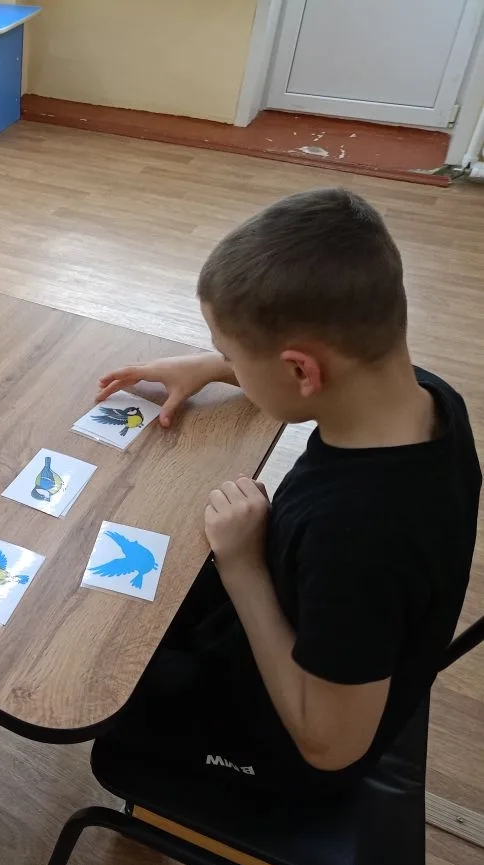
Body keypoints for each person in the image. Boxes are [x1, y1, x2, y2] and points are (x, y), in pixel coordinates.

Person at [91, 188, 480, 795]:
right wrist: (211, 367)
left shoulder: (360, 538)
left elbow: (331, 747)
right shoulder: (426, 397)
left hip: (282, 754)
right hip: (312, 632)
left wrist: (243, 567)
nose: (226, 363)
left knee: (102, 677)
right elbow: (326, 369)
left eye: (230, 354)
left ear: (301, 370)